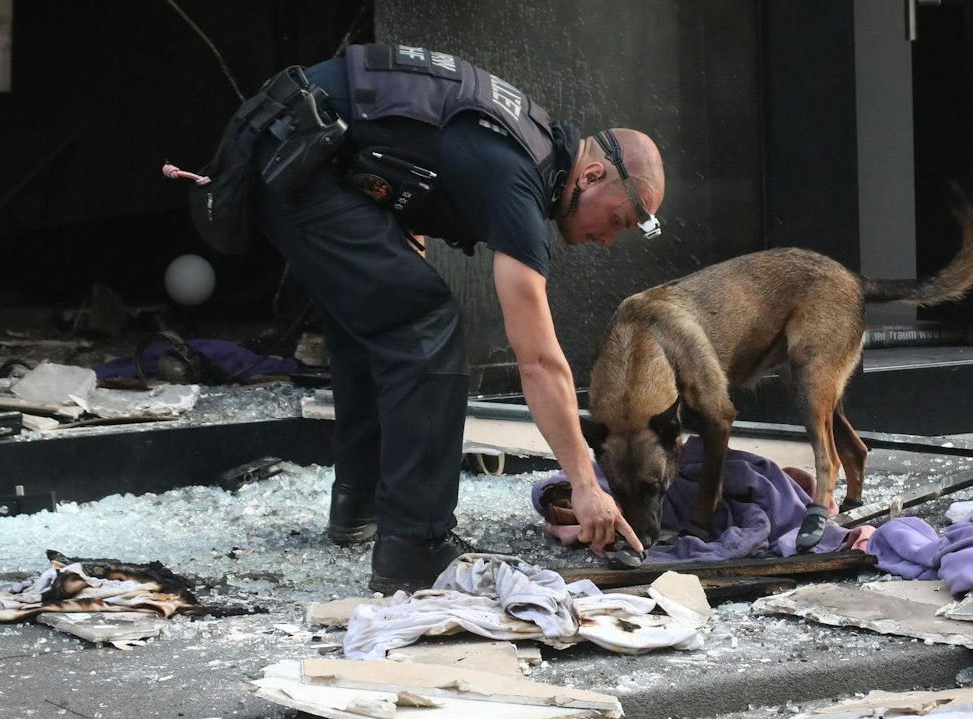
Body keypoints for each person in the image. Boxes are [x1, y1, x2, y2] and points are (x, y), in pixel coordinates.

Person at [241, 43, 661, 592]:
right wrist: (585, 482)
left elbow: (405, 138)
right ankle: (416, 544)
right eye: (620, 220)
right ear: (593, 174)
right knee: (423, 323)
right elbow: (537, 361)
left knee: (382, 317)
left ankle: (358, 506)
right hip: (297, 154)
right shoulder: (519, 181)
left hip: (293, 145)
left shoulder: (523, 139)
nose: (608, 239)